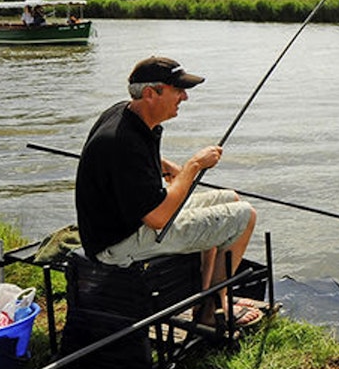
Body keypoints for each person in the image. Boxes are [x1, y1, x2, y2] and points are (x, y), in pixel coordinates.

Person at [74, 56, 263, 328]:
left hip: (132, 220)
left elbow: (132, 164)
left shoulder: (126, 115)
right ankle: (212, 311)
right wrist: (192, 167)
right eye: (177, 90)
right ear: (151, 93)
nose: (184, 97)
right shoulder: (123, 141)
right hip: (118, 242)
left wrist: (163, 166)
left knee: (228, 198)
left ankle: (207, 299)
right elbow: (159, 218)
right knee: (245, 216)